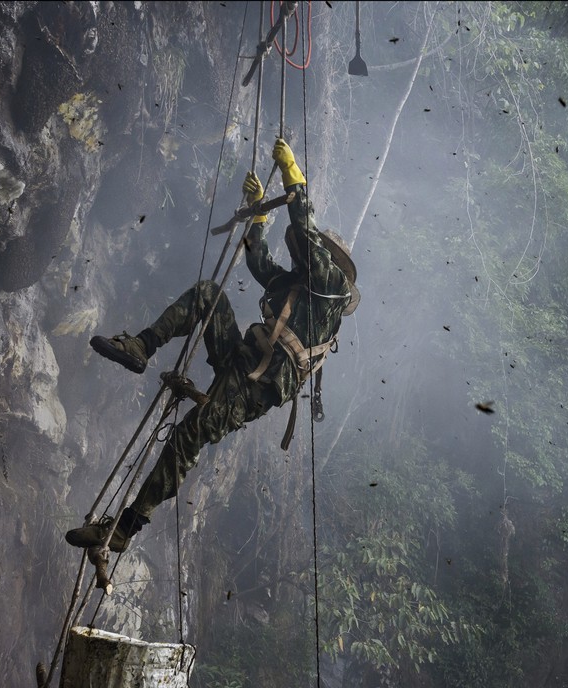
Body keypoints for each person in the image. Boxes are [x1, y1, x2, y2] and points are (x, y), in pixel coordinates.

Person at [66, 137, 358, 552]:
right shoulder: (295, 284)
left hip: (257, 388)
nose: (307, 258)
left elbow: (309, 241)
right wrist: (259, 217)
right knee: (208, 295)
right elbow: (258, 262)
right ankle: (141, 348)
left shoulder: (330, 290)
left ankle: (124, 529)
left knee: (192, 433)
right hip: (241, 361)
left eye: (316, 256)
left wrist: (295, 179)